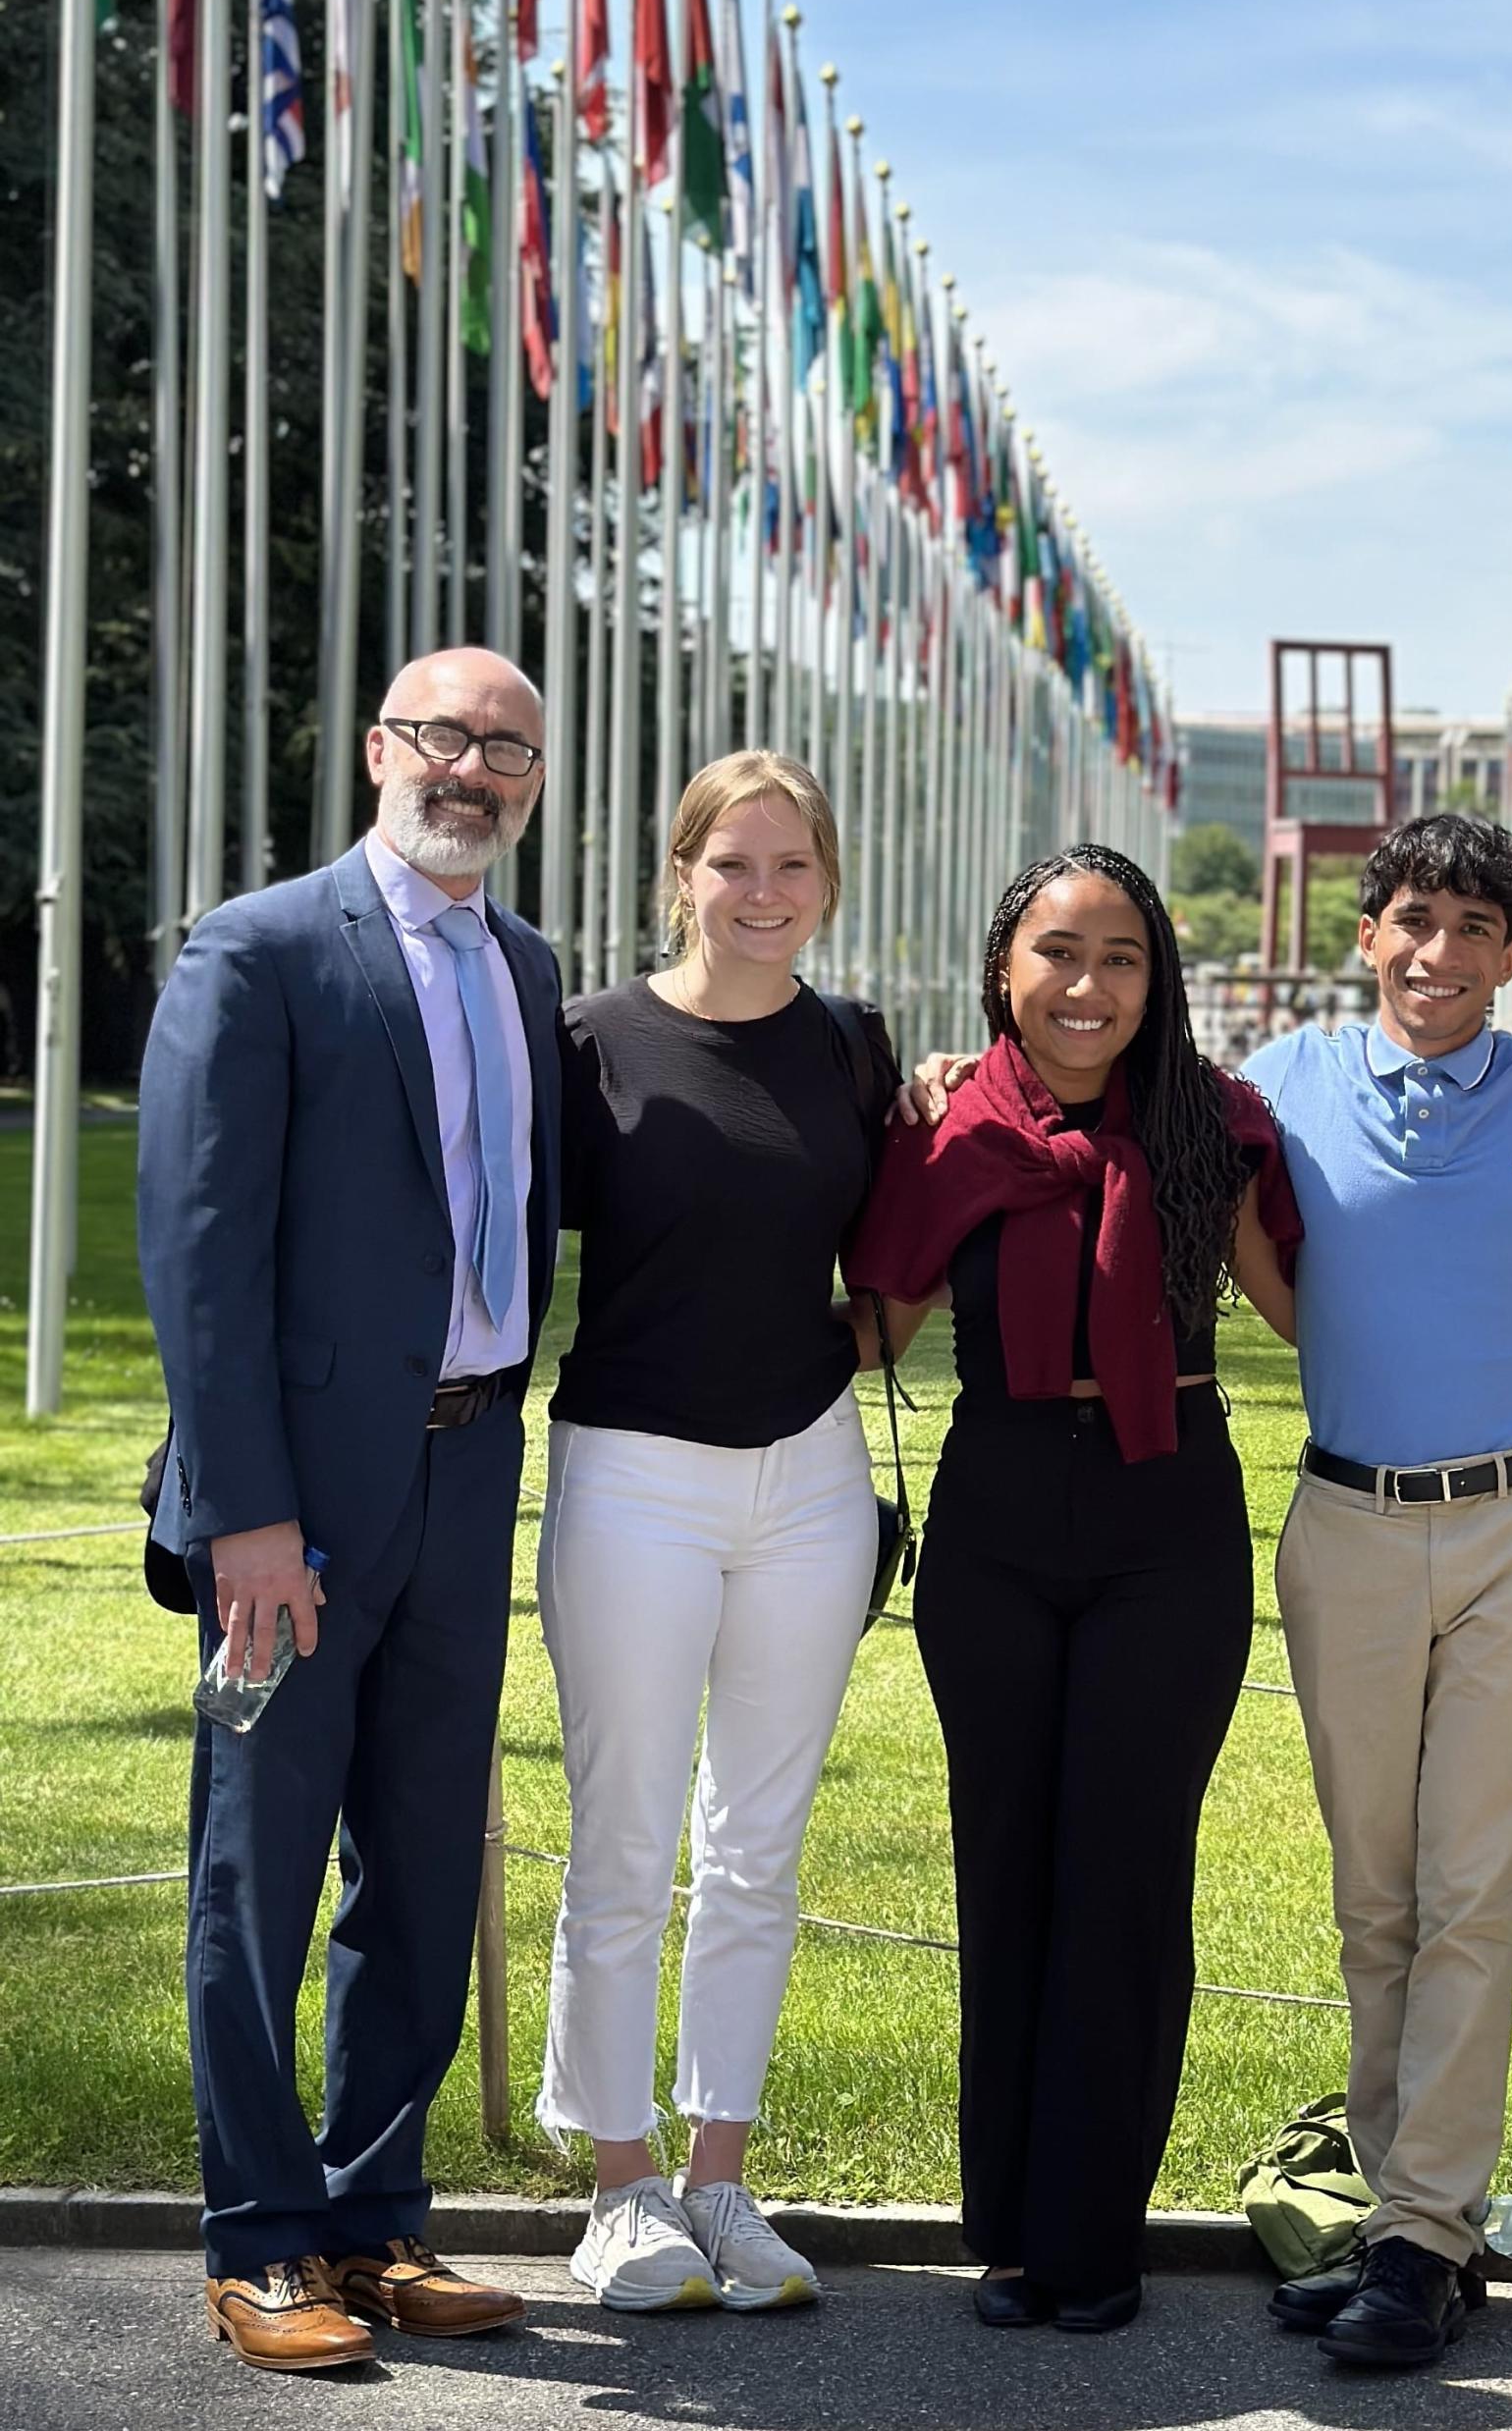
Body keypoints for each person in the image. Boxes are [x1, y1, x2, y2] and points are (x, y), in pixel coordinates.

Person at [138, 649, 561, 2372]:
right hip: (293, 1511)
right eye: (445, 736)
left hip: (470, 1473)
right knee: (262, 1863)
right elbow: (201, 1249)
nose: (472, 768)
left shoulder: (529, 967)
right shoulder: (257, 950)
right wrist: (240, 1510)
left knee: (420, 1849)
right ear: (383, 749)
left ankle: (376, 2214)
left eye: (508, 748)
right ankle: (258, 2241)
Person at [843, 843, 1301, 2336]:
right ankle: (1011, 2228)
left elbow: (1302, 1315)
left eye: (1119, 955)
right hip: (996, 1512)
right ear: (1004, 970)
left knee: (1125, 1871)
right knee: (1009, 1864)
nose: (1086, 983)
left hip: (1168, 1515)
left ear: (1155, 977)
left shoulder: (1216, 1125)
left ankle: (1091, 2241)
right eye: (1056, 952)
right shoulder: (952, 1123)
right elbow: (871, 1331)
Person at [1243, 816, 1512, 2370]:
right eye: (1415, 921)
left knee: (1475, 1894)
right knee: (1376, 1899)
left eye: (1477, 930)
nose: (1440, 955)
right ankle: (1417, 2222)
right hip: (1346, 1520)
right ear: (1369, 933)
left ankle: (1417, 2236)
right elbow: (1240, 1241)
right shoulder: (1278, 1081)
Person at [536, 752, 897, 2313]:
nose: (764, 895)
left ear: (828, 881)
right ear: (680, 873)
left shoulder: (858, 1047)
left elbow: (894, 1262)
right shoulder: (592, 1044)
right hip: (632, 1475)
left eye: (793, 868)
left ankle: (719, 2176)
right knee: (622, 1839)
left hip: (810, 1482)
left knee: (759, 1847)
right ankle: (618, 2187)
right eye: (733, 864)